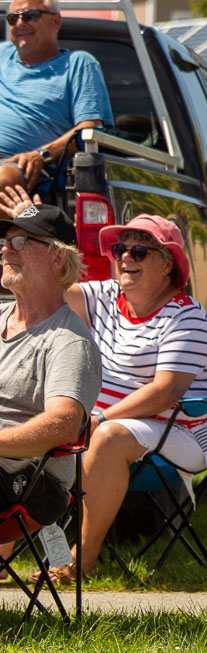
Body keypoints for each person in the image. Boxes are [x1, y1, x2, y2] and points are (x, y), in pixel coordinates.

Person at [0, 200, 207, 583]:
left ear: (167, 263)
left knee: (107, 437)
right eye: (119, 250)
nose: (124, 258)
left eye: (139, 251)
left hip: (174, 430)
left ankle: (82, 558)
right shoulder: (106, 298)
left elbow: (165, 392)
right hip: (91, 426)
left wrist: (100, 416)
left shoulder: (186, 316)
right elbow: (48, 296)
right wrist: (23, 239)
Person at [0, 203, 100, 549]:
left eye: (20, 242)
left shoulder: (68, 341)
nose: (5, 251)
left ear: (58, 258)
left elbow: (62, 425)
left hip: (32, 483)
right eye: (5, 242)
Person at [0, 0, 114, 191]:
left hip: (22, 166)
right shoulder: (1, 54)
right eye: (13, 18)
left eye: (29, 15)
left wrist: (41, 155)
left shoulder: (78, 64)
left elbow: (89, 128)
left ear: (56, 20)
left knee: (3, 177)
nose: (20, 23)